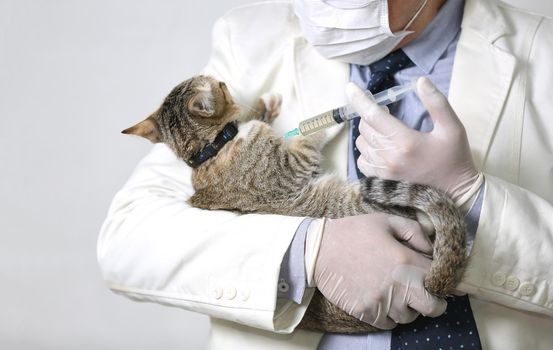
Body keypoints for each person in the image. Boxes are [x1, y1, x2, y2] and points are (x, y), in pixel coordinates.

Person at [97, 0, 553, 349]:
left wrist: (473, 200)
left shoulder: (543, 51)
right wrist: (308, 249)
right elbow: (128, 238)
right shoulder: (251, 40)